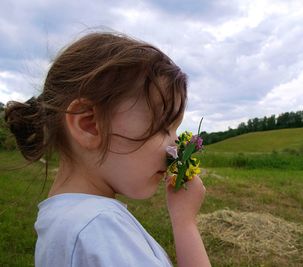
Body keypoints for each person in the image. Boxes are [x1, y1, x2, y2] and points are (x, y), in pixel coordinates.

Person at [4, 31, 211, 267]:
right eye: (163, 126)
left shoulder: (69, 220)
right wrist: (185, 224)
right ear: (90, 125)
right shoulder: (99, 230)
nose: (174, 145)